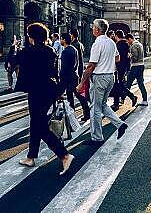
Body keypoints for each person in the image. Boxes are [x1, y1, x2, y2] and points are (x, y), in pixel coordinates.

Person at [16, 23, 74, 175]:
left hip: (36, 91)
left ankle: (64, 155)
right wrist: (58, 92)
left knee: (39, 125)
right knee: (37, 122)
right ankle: (30, 157)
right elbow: (55, 73)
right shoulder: (51, 51)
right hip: (49, 91)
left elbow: (12, 63)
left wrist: (16, 47)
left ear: (31, 36)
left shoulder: (27, 52)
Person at [76, 19, 128, 143]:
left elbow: (91, 66)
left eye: (93, 27)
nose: (92, 29)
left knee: (95, 108)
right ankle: (120, 124)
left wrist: (81, 83)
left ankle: (96, 137)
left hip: (99, 77)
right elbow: (118, 58)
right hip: (110, 77)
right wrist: (107, 62)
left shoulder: (97, 44)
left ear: (98, 30)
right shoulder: (111, 42)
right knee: (103, 104)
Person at [59, 33, 90, 121]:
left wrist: (61, 77)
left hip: (67, 77)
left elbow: (64, 67)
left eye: (61, 39)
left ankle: (74, 115)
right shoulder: (74, 49)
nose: (60, 40)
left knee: (73, 96)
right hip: (73, 75)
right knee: (73, 96)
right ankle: (79, 114)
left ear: (64, 40)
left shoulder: (65, 51)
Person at [124, 33, 147, 106]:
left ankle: (123, 98)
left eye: (127, 41)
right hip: (141, 65)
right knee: (140, 83)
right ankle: (145, 100)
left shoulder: (133, 45)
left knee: (128, 83)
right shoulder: (139, 44)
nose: (127, 43)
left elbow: (135, 57)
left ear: (130, 39)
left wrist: (129, 56)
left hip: (135, 66)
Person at [111, 30, 131, 111]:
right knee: (120, 84)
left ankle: (118, 102)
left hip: (118, 68)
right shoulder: (126, 44)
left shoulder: (118, 45)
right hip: (124, 68)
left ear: (116, 36)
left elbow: (117, 57)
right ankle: (123, 98)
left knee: (118, 85)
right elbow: (128, 57)